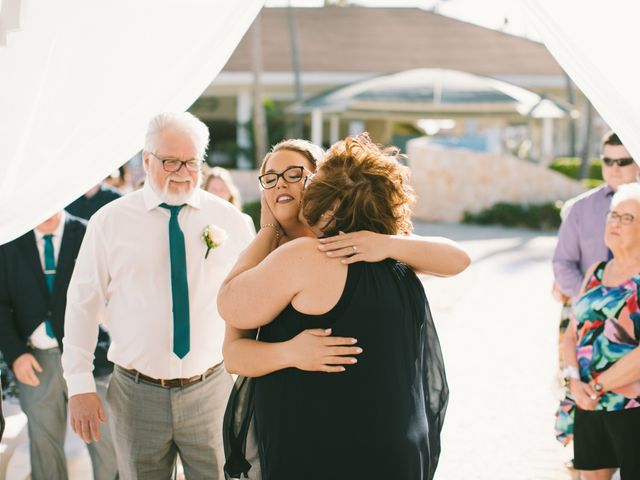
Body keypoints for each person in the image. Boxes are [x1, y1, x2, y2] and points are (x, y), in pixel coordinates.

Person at [218, 134, 470, 480]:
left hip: (318, 453)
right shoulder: (389, 260)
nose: (282, 185)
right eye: (271, 177)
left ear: (327, 193)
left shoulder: (327, 253)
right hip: (392, 450)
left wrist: (267, 231)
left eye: (298, 175)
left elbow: (229, 304)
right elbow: (233, 354)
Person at [62, 112, 254, 479]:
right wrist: (80, 384)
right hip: (136, 395)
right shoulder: (110, 221)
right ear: (147, 160)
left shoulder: (229, 219)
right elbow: (82, 303)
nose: (182, 171)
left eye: (192, 162)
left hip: (211, 389)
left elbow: (251, 296)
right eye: (170, 161)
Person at [0, 211, 117, 480]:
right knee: (44, 442)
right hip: (36, 358)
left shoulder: (88, 232)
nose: (45, 212)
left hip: (92, 359)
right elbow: (1, 303)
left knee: (106, 440)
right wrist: (16, 354)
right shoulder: (12, 237)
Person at [563, 182, 640, 479]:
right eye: (613, 215)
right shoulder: (596, 270)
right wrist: (575, 382)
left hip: (631, 407)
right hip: (588, 402)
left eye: (627, 218)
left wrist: (596, 387)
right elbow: (573, 333)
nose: (615, 223)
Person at [203, 166, 256, 234]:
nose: (218, 194)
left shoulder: (244, 220)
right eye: (214, 189)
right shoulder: (200, 219)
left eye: (222, 189)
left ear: (230, 193)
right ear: (206, 191)